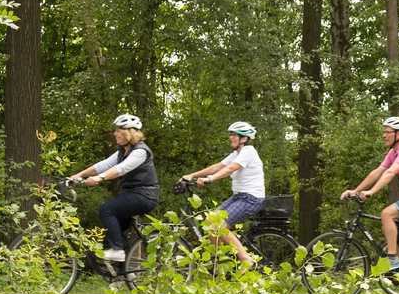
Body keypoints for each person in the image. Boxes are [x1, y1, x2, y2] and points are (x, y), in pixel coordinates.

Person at [340, 116, 399, 272]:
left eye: (387, 132)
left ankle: (392, 258)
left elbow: (391, 172)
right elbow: (378, 172)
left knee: (386, 214)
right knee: (387, 227)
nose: (383, 135)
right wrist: (356, 191)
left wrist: (371, 192)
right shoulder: (394, 152)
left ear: (398, 134)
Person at [70, 113, 159, 268]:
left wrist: (99, 178)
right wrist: (79, 175)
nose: (115, 134)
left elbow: (121, 169)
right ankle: (121, 274)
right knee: (117, 232)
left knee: (106, 209)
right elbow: (104, 164)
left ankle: (117, 250)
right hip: (131, 195)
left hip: (144, 196)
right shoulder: (122, 151)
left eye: (118, 130)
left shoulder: (140, 152)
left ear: (128, 133)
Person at [179, 121, 266, 266]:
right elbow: (218, 166)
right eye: (230, 135)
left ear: (243, 138)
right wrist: (192, 175)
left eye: (234, 135)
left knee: (217, 225)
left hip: (250, 198)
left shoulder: (248, 151)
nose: (230, 138)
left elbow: (230, 168)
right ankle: (222, 264)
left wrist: (210, 179)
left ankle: (246, 259)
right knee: (209, 224)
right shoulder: (236, 154)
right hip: (239, 196)